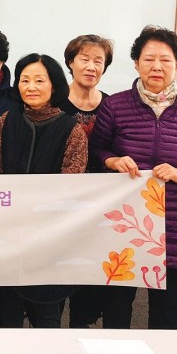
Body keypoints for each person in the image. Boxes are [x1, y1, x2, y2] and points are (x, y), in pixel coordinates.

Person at [91, 26, 177, 329]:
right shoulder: (115, 106)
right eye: (148, 59)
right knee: (117, 305)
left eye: (165, 60)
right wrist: (112, 160)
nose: (156, 66)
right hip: (125, 220)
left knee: (166, 309)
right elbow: (97, 150)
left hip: (174, 224)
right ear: (136, 63)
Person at [0, 54, 87, 334]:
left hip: (50, 233)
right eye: (25, 80)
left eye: (39, 80)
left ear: (54, 85)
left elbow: (71, 185)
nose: (31, 86)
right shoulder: (7, 120)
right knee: (6, 303)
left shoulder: (72, 129)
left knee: (47, 306)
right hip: (10, 228)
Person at [60, 34, 120, 328]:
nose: (91, 66)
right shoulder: (55, 102)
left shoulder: (113, 106)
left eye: (99, 61)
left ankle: (80, 327)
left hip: (101, 204)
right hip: (62, 202)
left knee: (91, 270)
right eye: (84, 59)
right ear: (71, 62)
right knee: (59, 269)